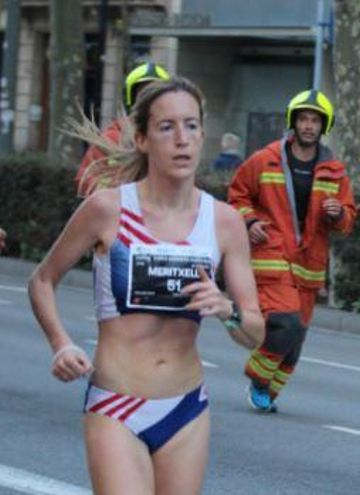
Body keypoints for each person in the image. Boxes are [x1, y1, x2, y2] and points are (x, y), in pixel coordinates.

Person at [29, 77, 264, 494]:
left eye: (191, 126)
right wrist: (61, 343)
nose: (181, 140)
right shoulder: (108, 209)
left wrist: (226, 309)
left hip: (186, 408)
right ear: (141, 138)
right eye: (166, 127)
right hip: (117, 405)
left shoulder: (224, 221)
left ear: (203, 135)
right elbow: (43, 280)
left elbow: (254, 333)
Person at [228, 89, 356, 413]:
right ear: (293, 122)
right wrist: (250, 221)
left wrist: (338, 213)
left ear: (323, 125)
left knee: (296, 342)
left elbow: (347, 219)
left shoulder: (335, 171)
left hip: (309, 264)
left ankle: (269, 390)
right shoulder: (265, 159)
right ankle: (258, 377)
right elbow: (237, 195)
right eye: (303, 119)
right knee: (287, 323)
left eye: (315, 120)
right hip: (272, 254)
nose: (308, 125)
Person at [76, 62, 171, 196]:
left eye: (157, 96)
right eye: (145, 96)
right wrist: (116, 191)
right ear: (131, 101)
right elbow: (86, 180)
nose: (150, 102)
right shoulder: (112, 139)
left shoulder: (175, 140)